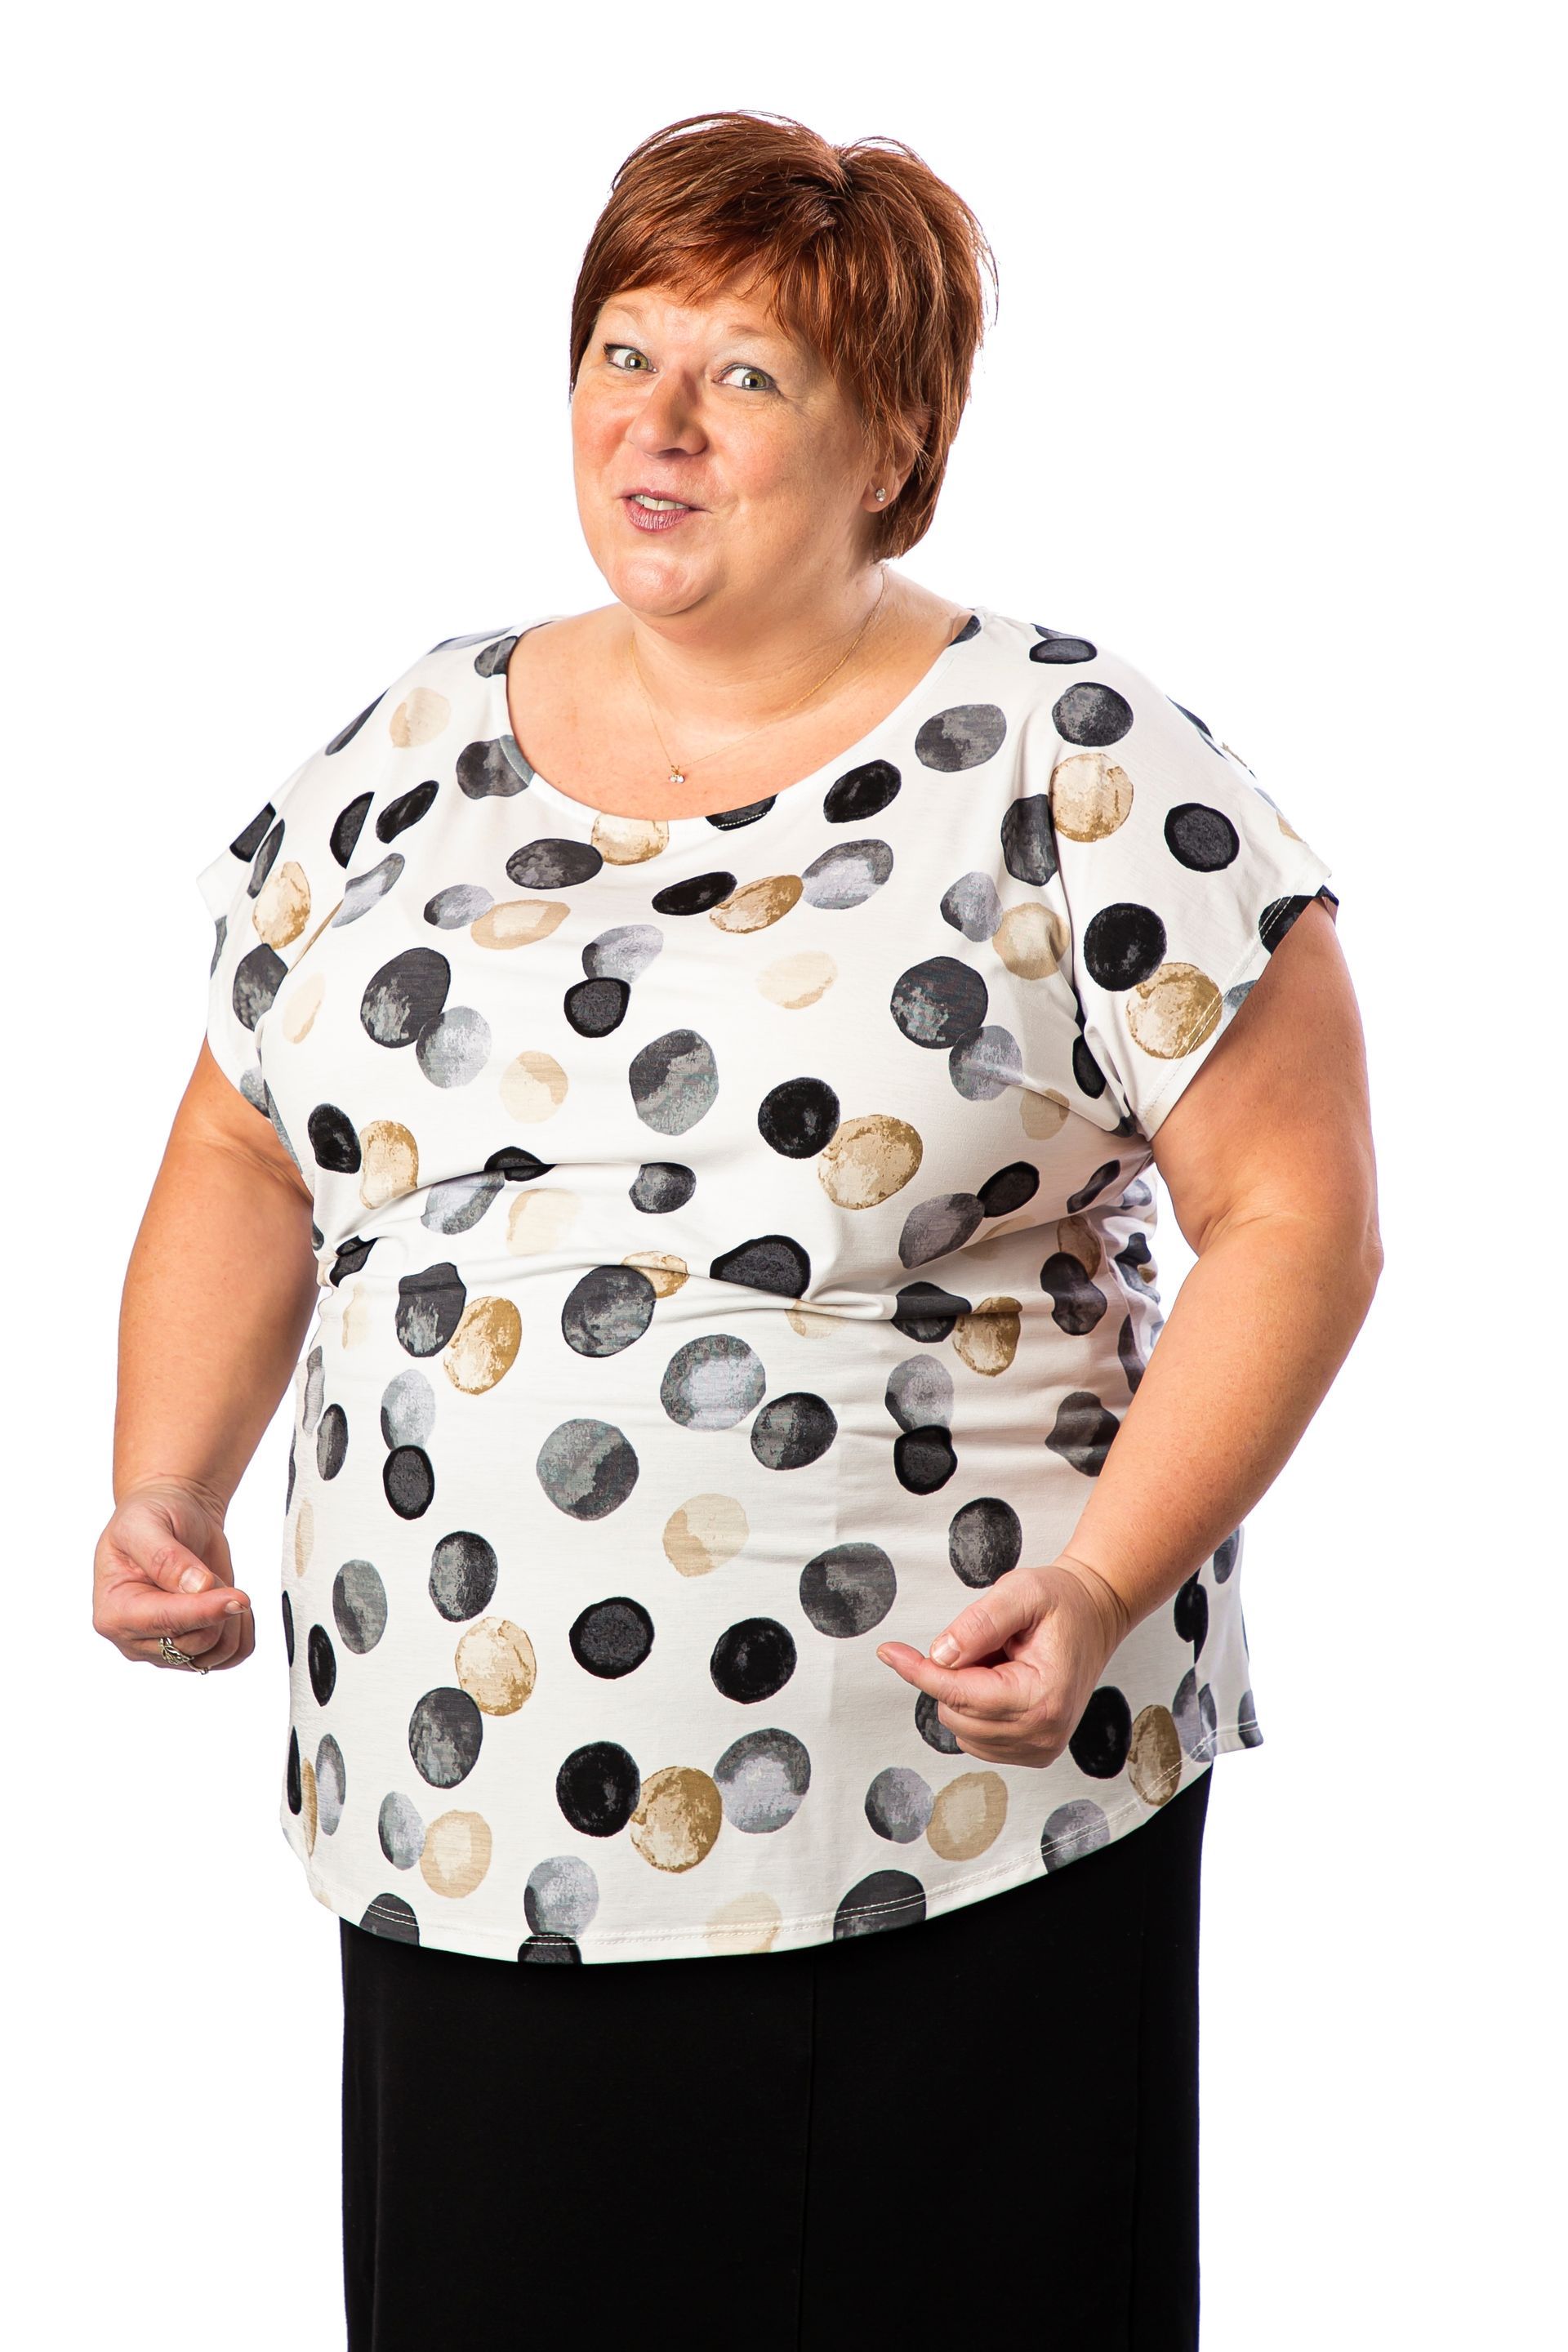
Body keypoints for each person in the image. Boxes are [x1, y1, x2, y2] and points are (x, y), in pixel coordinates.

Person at [98, 108, 1381, 2349]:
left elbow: (1298, 1214)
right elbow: (238, 1138)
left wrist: (1098, 1587)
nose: (655, 426)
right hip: (464, 1809)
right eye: (621, 351)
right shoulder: (407, 745)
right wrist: (164, 1484)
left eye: (748, 374)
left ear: (899, 441)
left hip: (947, 1814)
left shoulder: (1078, 761)